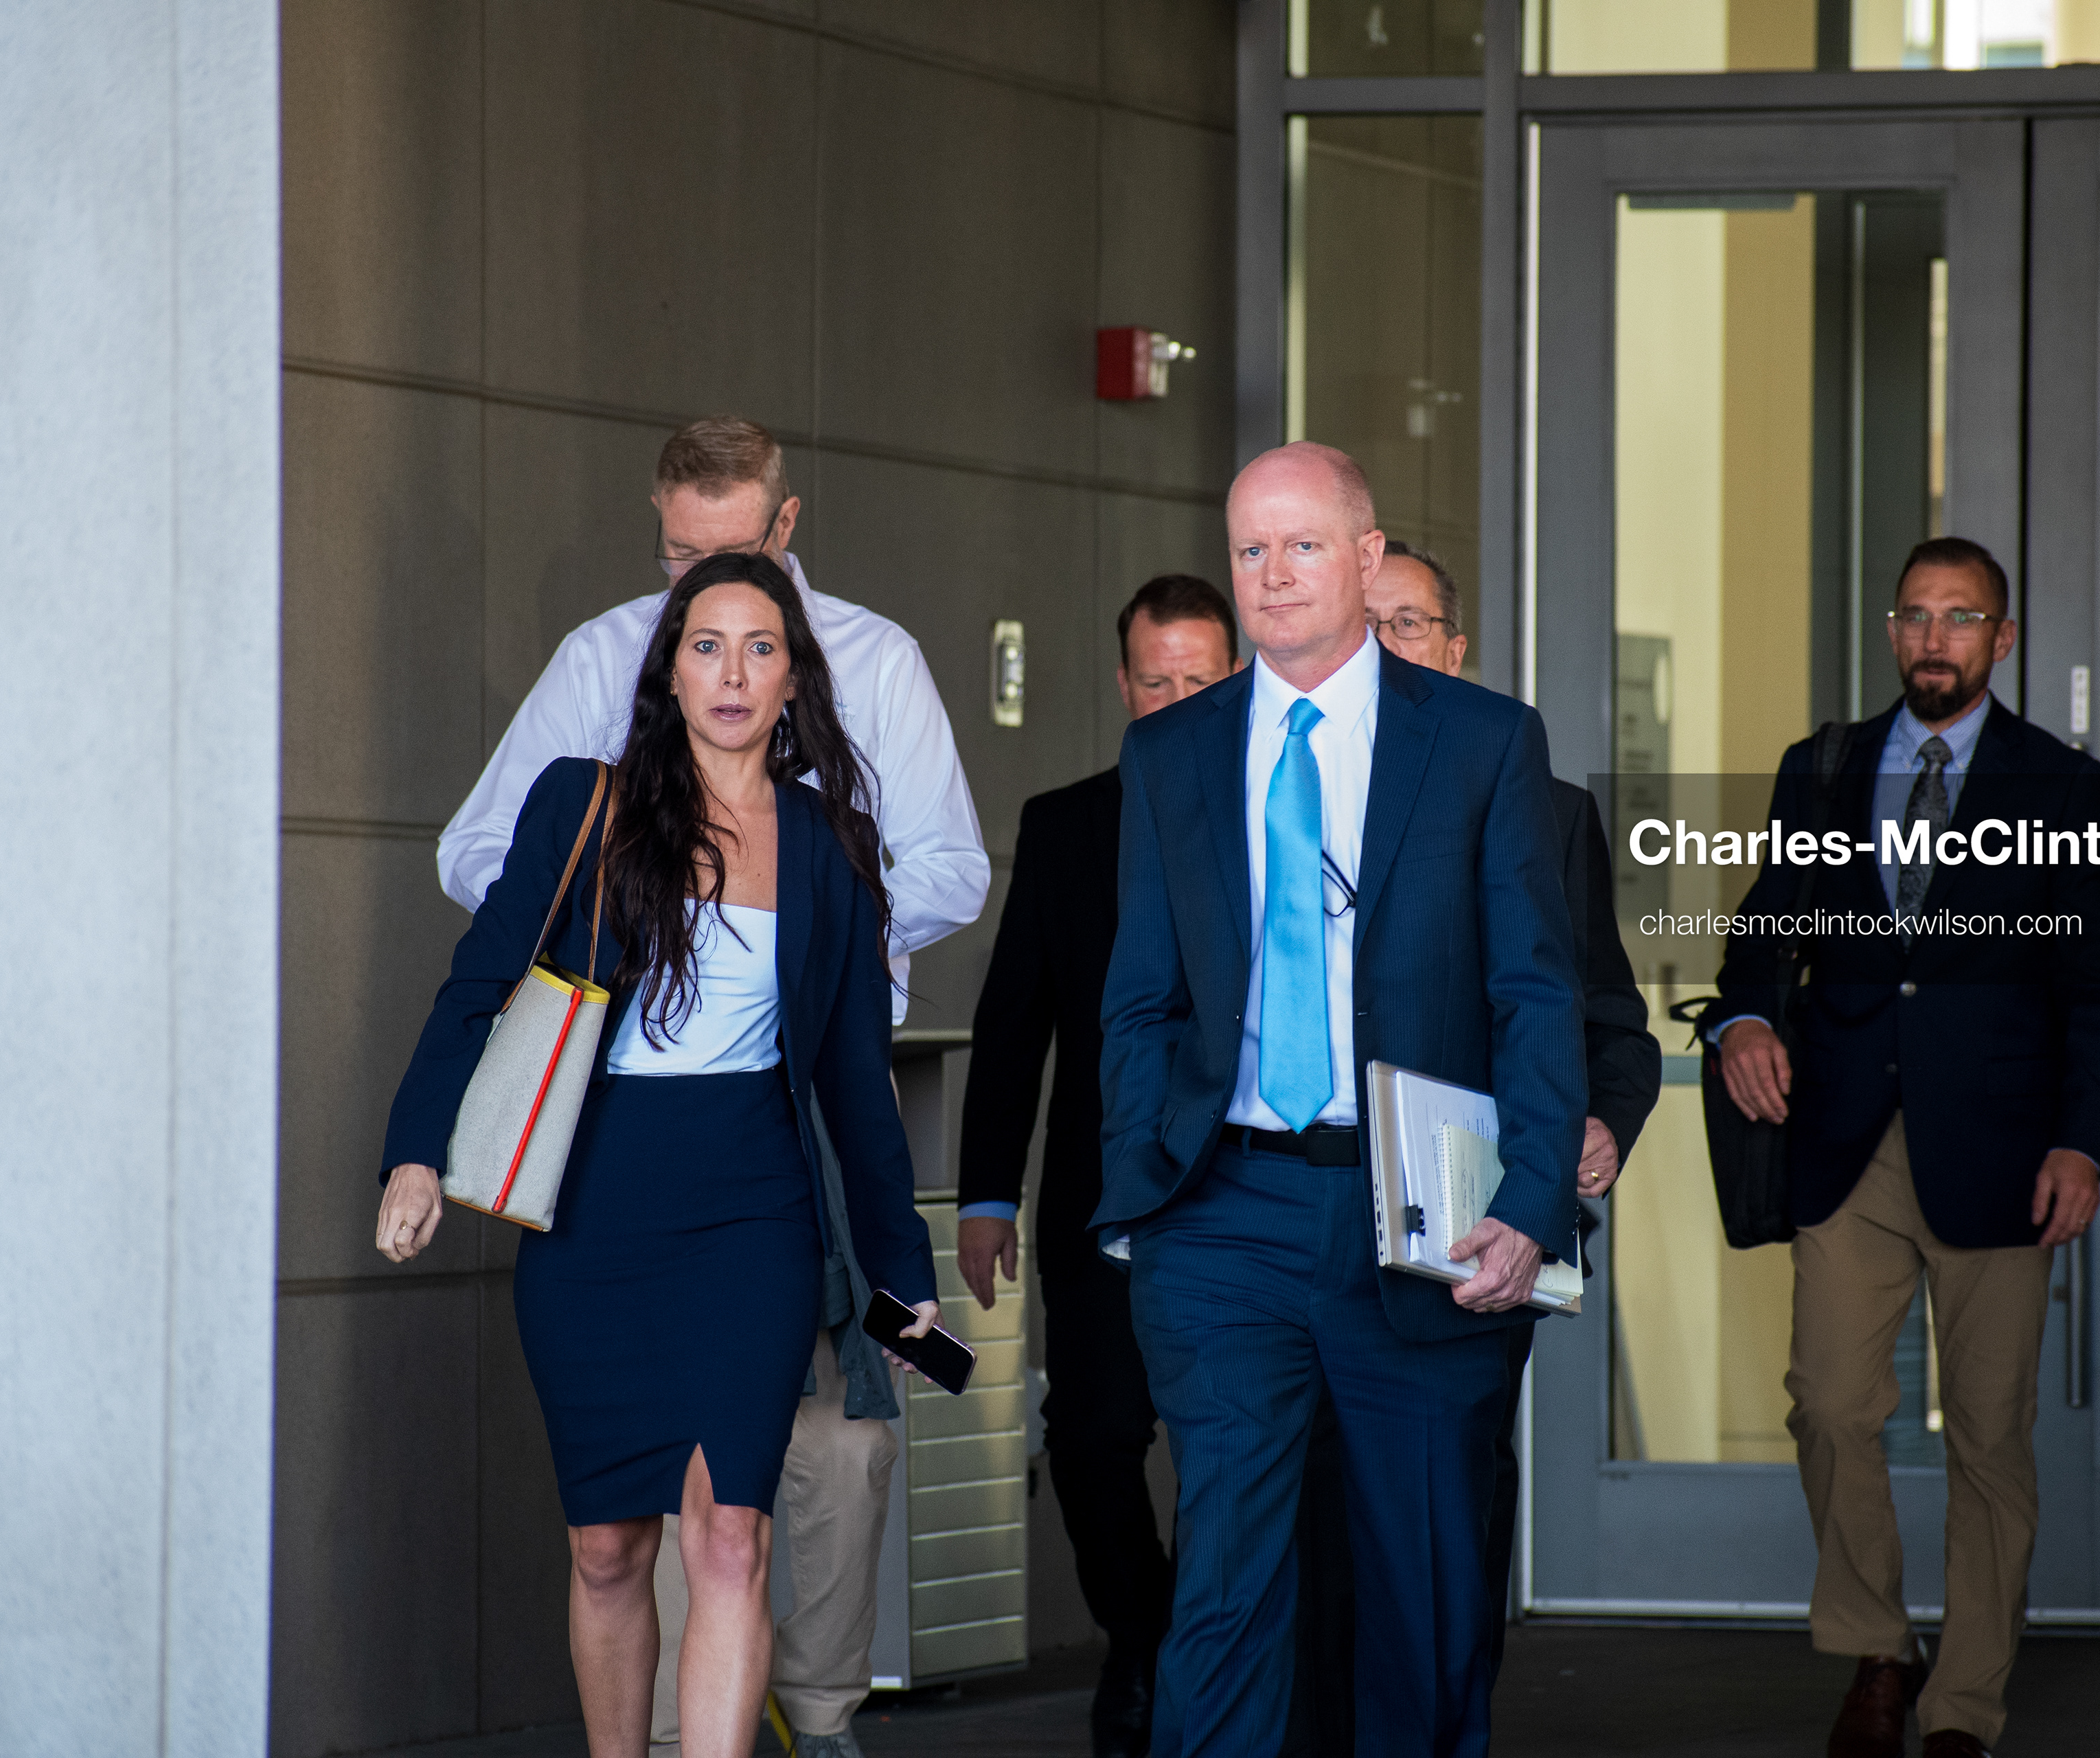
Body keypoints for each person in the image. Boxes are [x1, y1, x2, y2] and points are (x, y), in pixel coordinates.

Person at [435, 417, 985, 1758]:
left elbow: (955, 870)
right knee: (637, 1515)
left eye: (731, 555)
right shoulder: (605, 658)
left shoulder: (874, 658)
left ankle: (819, 1706)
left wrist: (813, 925)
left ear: (785, 527)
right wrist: (618, 909)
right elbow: (480, 857)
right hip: (620, 1134)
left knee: (802, 1454)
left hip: (797, 1103)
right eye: (681, 557)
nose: (702, 589)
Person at [1097, 442, 1587, 1756]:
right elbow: (1140, 997)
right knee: (1225, 1597)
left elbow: (1537, 992)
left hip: (1421, 1220)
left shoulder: (1486, 743)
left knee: (1421, 1604)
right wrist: (1142, 1193)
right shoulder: (1173, 755)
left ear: (1367, 561)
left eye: (1302, 545)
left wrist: (1533, 1203)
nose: (1271, 574)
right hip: (1223, 1218)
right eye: (1249, 549)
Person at [1699, 536, 2100, 1758]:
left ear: (2003, 641)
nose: (1935, 639)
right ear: (1892, 633)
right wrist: (1738, 1022)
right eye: (1916, 617)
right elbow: (1758, 941)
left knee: (1989, 1437)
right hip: (1846, 1140)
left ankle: (1964, 1706)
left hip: (2003, 1155)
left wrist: (2082, 1145)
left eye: (1963, 619)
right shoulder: (1821, 769)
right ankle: (1876, 1650)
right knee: (1833, 1408)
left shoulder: (2060, 785)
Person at [954, 574, 1242, 1758]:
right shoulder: (1067, 824)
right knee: (1090, 1443)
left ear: (1238, 681)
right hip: (1100, 1199)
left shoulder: (1292, 813)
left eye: (1200, 680)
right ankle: (1147, 1632)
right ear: (1126, 687)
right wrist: (983, 1190)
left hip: (1247, 1193)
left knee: (1237, 1446)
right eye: (1156, 680)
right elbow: (1015, 1021)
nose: (1176, 701)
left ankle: (1221, 1666)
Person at [1364, 538, 1661, 1683]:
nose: (1390, 647)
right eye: (1370, 624)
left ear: (1455, 647)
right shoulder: (1294, 778)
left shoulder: (1548, 805)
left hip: (1485, 1203)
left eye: (1410, 625)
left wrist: (1599, 1125)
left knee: (1461, 1487)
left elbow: (1605, 1018)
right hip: (1316, 1203)